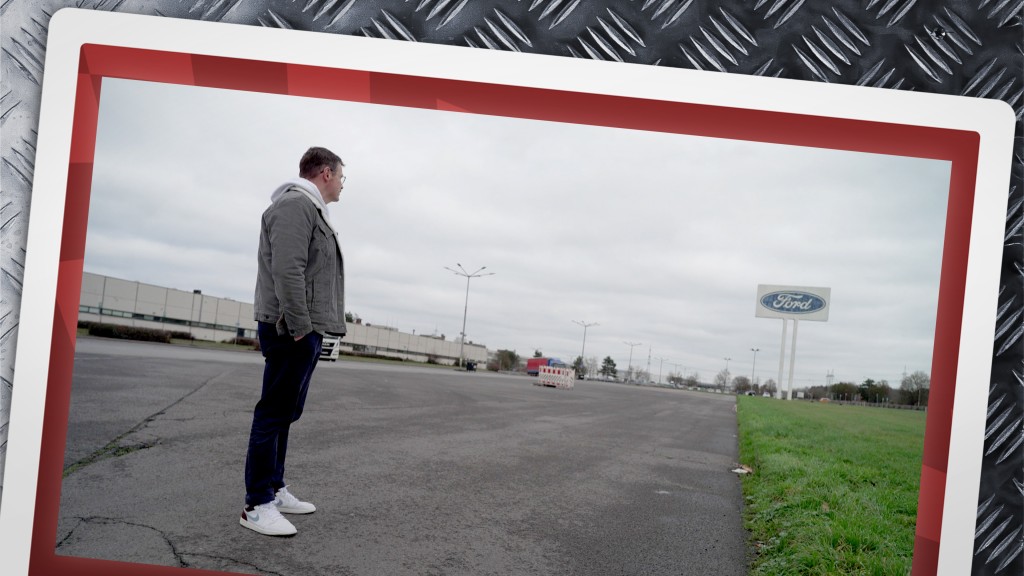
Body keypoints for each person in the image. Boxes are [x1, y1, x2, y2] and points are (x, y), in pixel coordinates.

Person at [240, 147, 347, 536]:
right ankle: (256, 504)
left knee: (286, 412)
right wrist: (301, 327)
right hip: (290, 328)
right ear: (324, 173)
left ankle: (273, 487)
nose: (341, 184)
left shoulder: (312, 209)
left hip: (303, 327)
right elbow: (288, 270)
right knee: (272, 413)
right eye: (341, 176)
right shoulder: (293, 207)